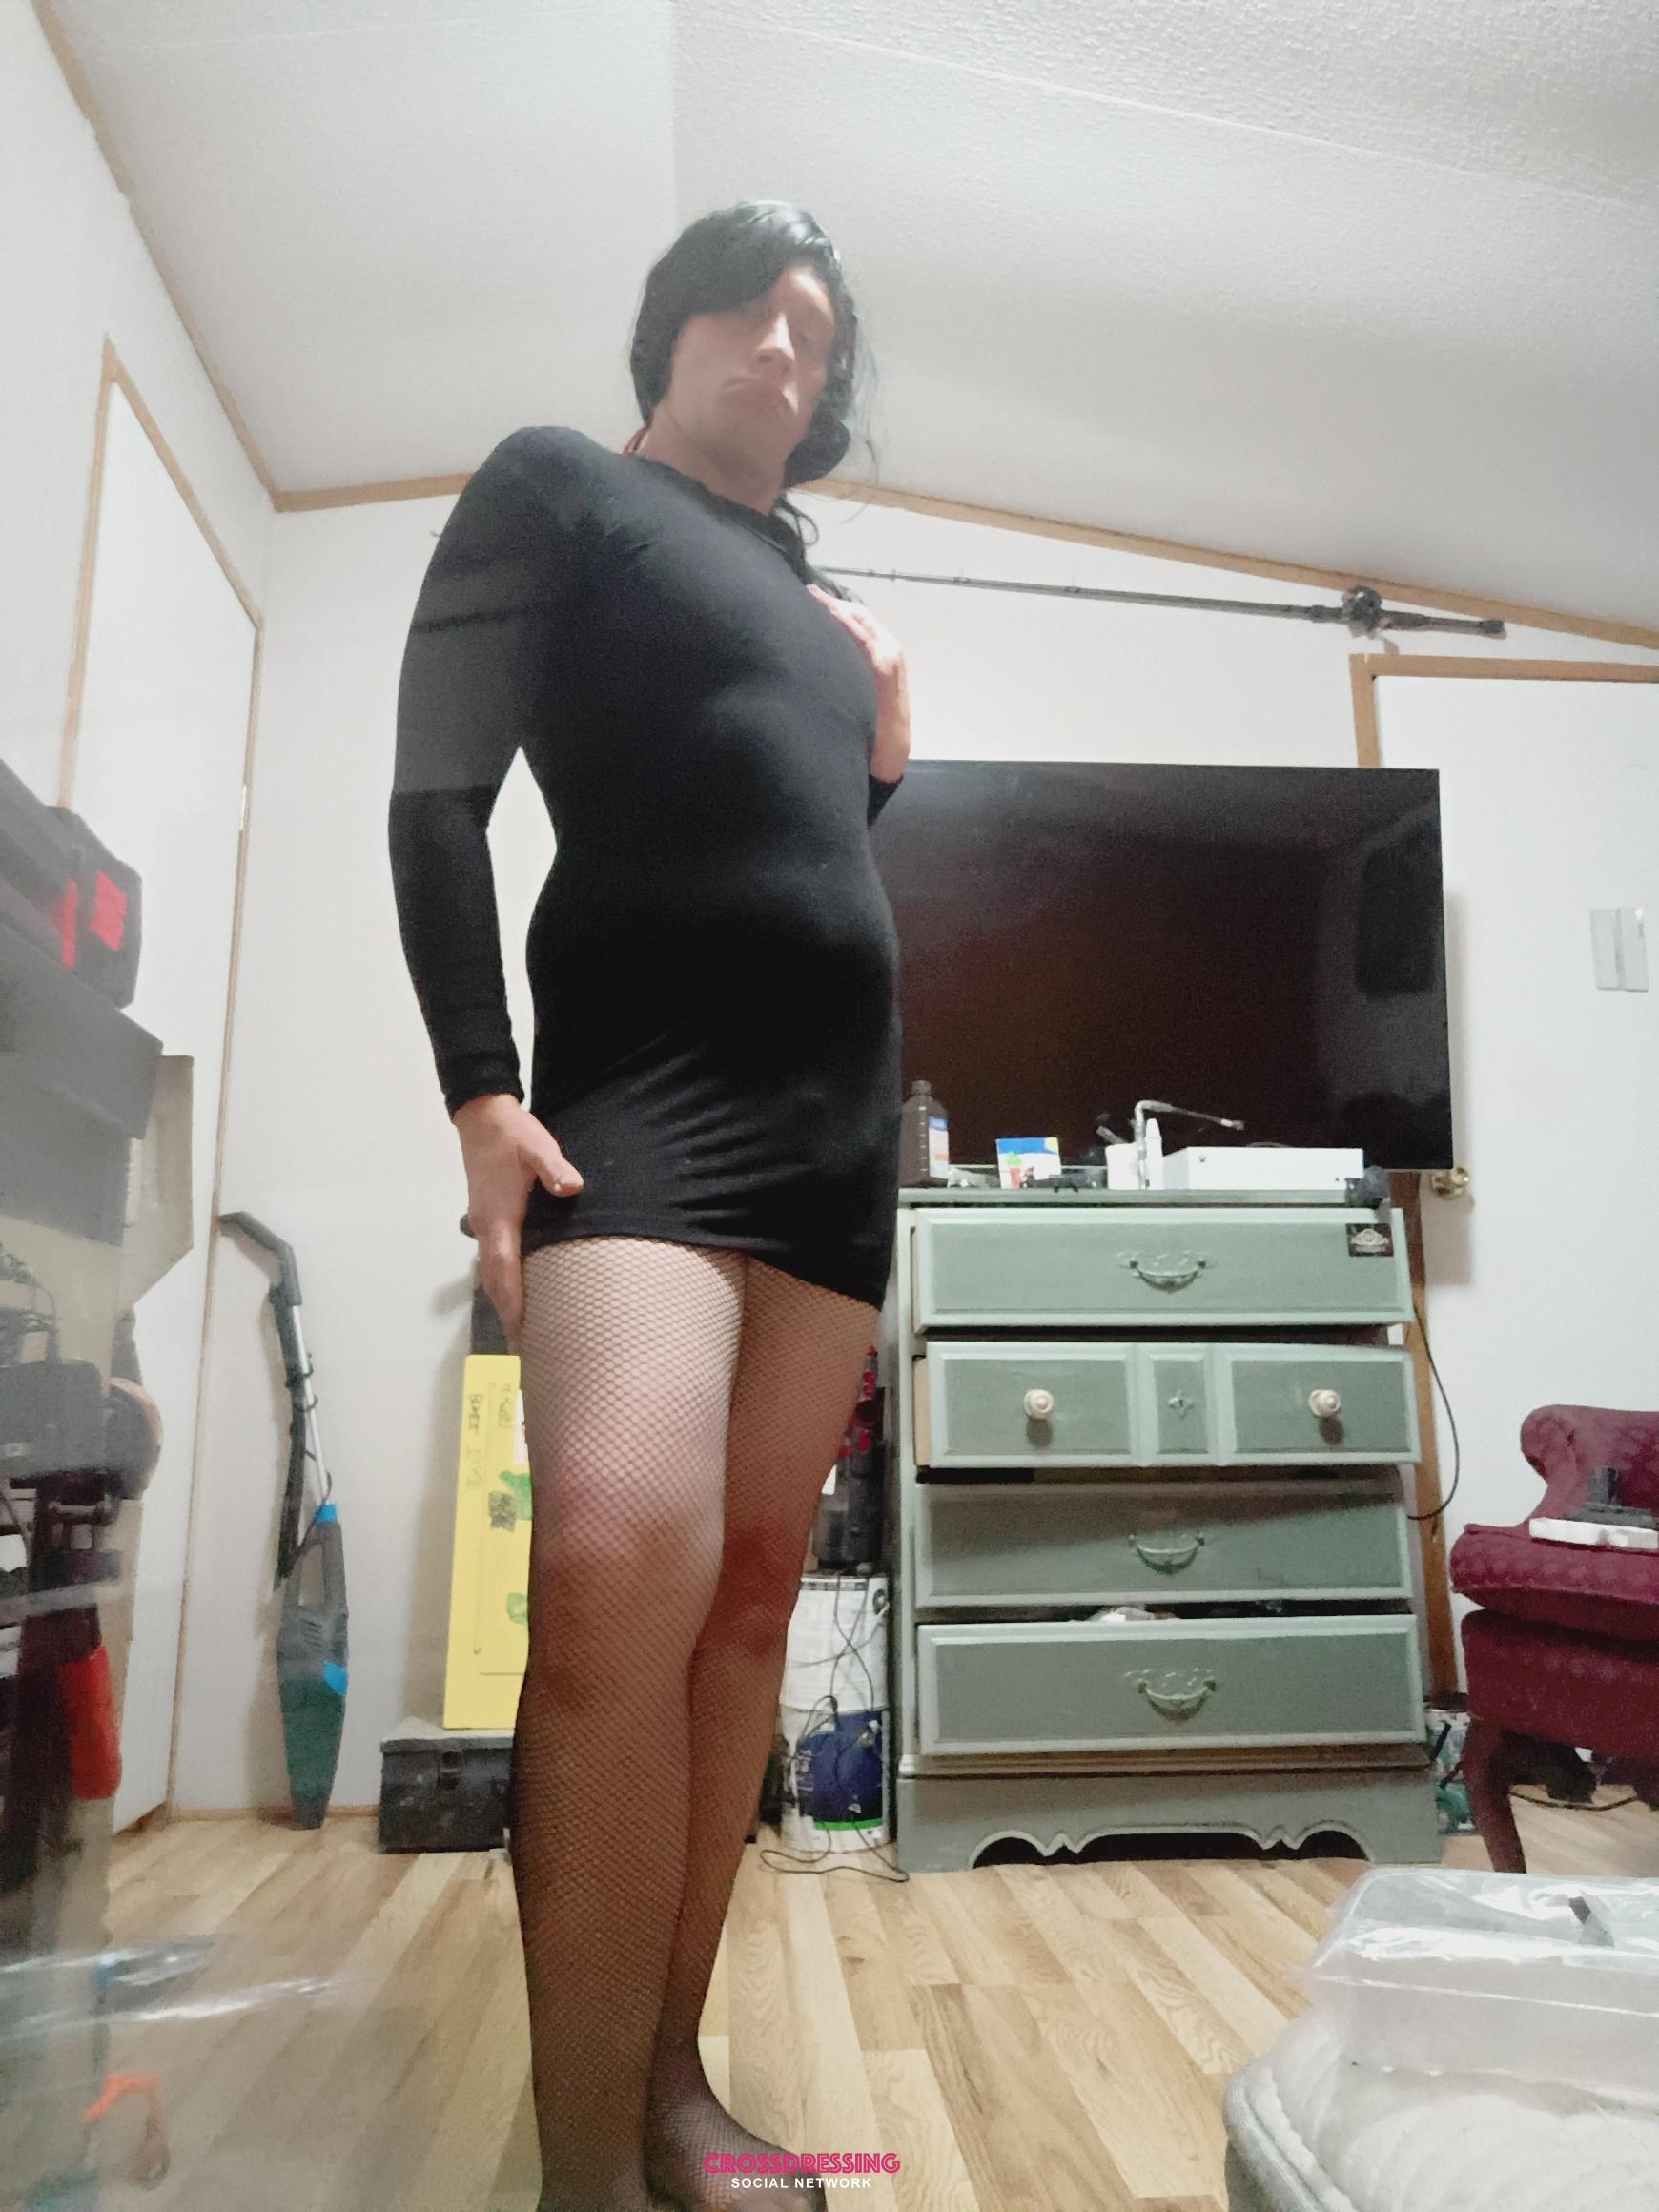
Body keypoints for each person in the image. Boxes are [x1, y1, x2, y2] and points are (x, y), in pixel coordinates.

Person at [388, 202, 910, 2212]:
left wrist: (882, 751)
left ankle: (673, 2083)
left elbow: (784, 830)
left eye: (818, 332)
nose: (784, 344)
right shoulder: (560, 491)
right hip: (641, 1098)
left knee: (756, 1596)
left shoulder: (821, 607)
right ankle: (580, 2164)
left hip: (833, 1125)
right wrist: (478, 1084)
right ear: (668, 329)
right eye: (749, 305)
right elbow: (438, 789)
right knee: (619, 1557)